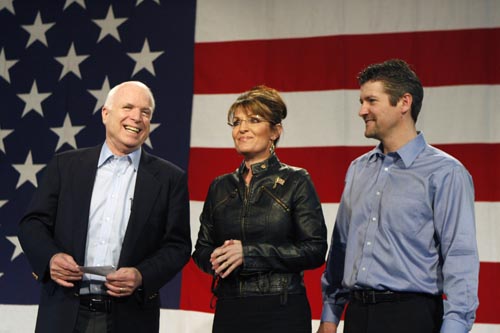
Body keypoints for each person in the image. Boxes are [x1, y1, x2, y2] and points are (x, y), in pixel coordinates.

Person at [318, 59, 479, 333]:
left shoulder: (446, 173)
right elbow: (341, 248)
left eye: (371, 100)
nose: (361, 111)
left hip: (412, 318)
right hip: (356, 316)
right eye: (361, 101)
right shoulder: (357, 169)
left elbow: (459, 257)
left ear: (404, 103)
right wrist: (330, 316)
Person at [18, 81, 191, 333]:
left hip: (130, 316)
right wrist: (50, 258)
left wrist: (141, 275)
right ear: (105, 114)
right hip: (64, 312)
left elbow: (178, 246)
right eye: (128, 107)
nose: (137, 117)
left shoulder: (170, 179)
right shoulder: (64, 166)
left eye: (145, 112)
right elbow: (32, 224)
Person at [192, 85, 328, 333]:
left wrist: (249, 254)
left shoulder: (297, 180)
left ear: (275, 131)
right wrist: (216, 258)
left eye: (253, 120)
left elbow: (315, 250)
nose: (242, 129)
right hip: (230, 309)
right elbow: (201, 249)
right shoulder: (220, 186)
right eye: (236, 122)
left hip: (281, 309)